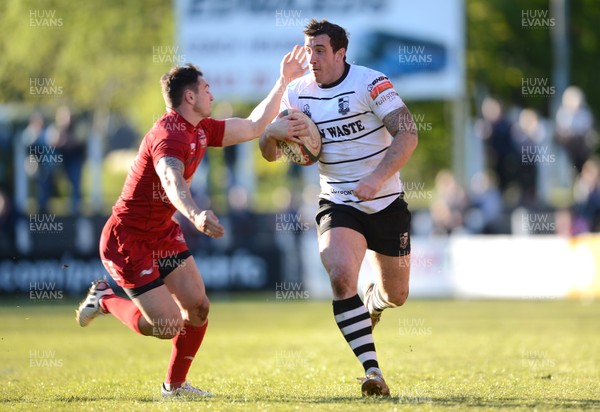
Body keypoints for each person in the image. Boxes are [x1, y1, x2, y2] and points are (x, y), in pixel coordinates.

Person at [76, 47, 307, 397]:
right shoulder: (169, 135)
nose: (212, 94)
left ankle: (175, 386)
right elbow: (172, 181)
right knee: (167, 325)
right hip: (128, 239)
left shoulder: (200, 128)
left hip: (161, 233)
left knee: (198, 308)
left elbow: (255, 126)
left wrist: (283, 81)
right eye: (207, 88)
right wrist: (196, 213)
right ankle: (106, 298)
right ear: (190, 96)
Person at [259, 19, 418, 397]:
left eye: (319, 50)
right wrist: (270, 135)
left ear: (341, 52)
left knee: (396, 294)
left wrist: (376, 178)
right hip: (338, 202)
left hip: (385, 201)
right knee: (341, 275)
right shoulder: (296, 94)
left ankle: (373, 302)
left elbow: (408, 133)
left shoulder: (371, 82)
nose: (311, 58)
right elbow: (269, 153)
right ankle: (372, 371)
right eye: (308, 49)